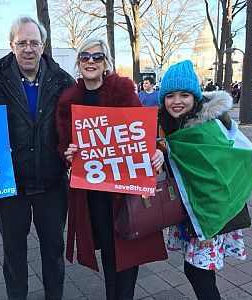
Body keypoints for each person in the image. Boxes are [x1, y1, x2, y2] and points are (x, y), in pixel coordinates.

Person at [56, 38, 168, 300]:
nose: (91, 62)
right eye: (85, 57)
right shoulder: (69, 101)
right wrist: (68, 154)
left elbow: (145, 134)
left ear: (106, 62)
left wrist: (157, 151)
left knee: (129, 250)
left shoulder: (123, 91)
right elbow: (63, 147)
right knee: (108, 252)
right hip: (94, 193)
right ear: (78, 62)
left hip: (127, 190)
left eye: (97, 57)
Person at [0, 16, 75, 300]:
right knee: (13, 252)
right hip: (10, 185)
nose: (28, 49)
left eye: (34, 42)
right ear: (12, 46)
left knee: (53, 249)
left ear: (43, 45)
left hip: (52, 182)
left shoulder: (63, 81)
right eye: (22, 42)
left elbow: (85, 119)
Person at [158, 60, 252, 300]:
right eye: (170, 95)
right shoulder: (170, 124)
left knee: (197, 272)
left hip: (211, 215)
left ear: (195, 96)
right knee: (199, 271)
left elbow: (217, 180)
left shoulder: (209, 127)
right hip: (194, 209)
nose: (177, 101)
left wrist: (209, 228)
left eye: (184, 94)